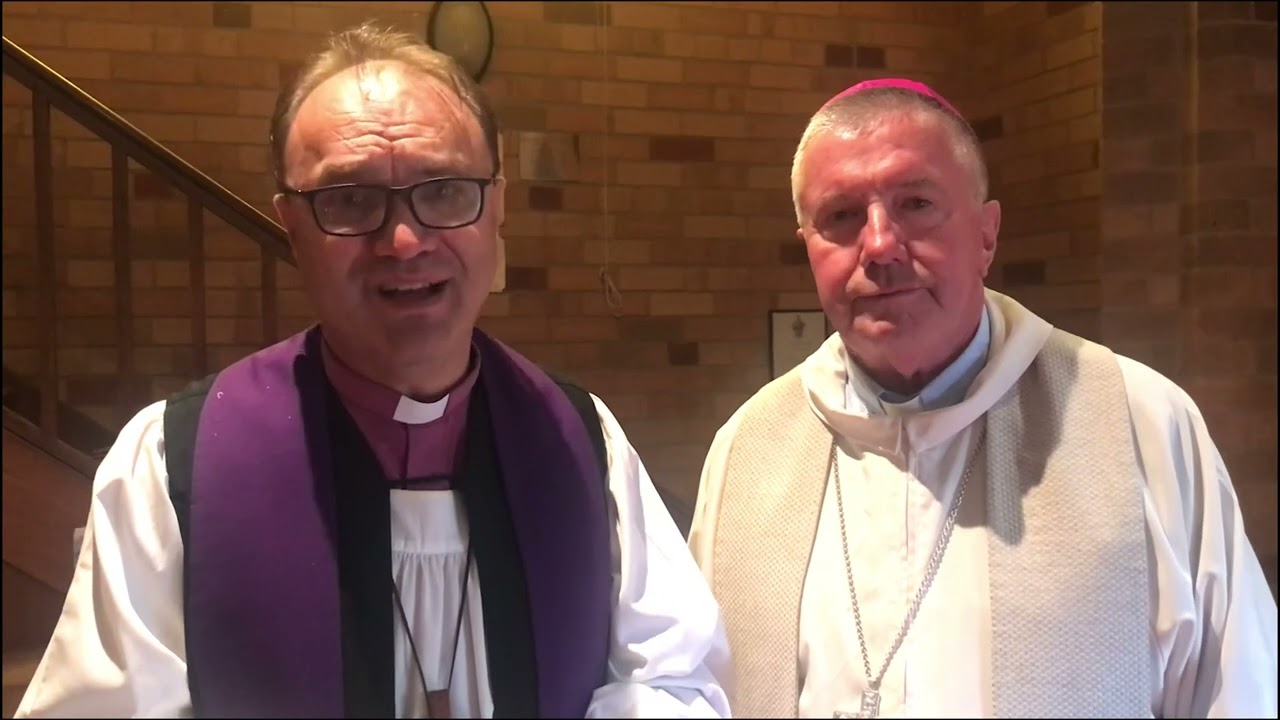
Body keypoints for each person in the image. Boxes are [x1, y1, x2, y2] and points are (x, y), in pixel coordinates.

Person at [18, 24, 731, 719]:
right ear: (291, 225)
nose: (405, 241)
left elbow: (674, 679)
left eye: (445, 190)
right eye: (350, 200)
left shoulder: (581, 441)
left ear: (498, 207)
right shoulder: (174, 460)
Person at [688, 77, 1277, 719]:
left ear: (987, 235)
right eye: (841, 216)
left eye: (916, 203)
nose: (879, 245)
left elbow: (1240, 692)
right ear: (808, 247)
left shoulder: (1139, 423)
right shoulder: (747, 449)